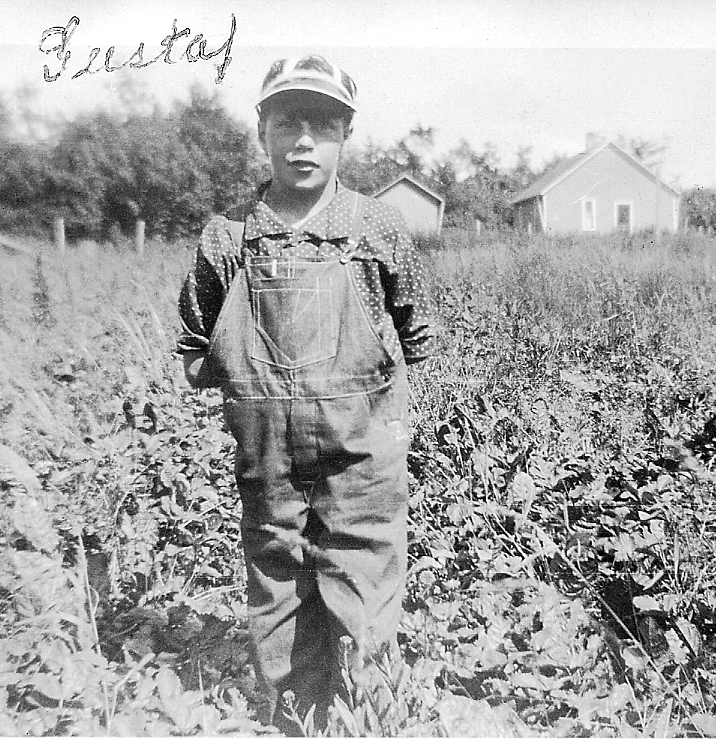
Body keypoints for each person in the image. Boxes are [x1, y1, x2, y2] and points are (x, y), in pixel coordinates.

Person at [175, 54, 438, 733]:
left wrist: (382, 415)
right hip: (268, 458)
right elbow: (194, 343)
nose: (302, 141)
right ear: (260, 129)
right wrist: (250, 388)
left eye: (321, 125)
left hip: (363, 452)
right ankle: (299, 715)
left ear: (345, 135)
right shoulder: (227, 236)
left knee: (366, 577)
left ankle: (373, 713)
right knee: (279, 579)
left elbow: (416, 333)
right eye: (286, 122)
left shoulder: (376, 226)